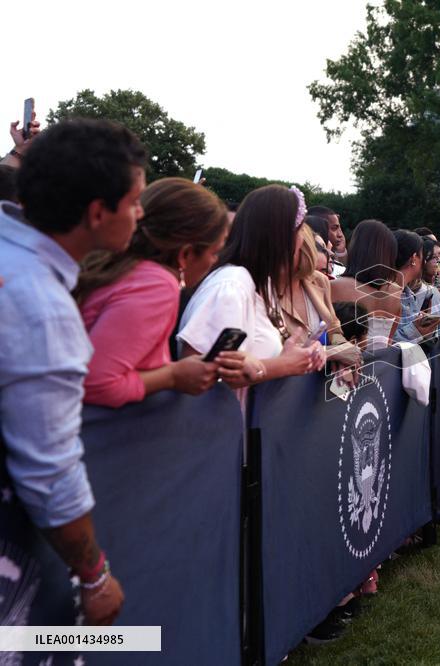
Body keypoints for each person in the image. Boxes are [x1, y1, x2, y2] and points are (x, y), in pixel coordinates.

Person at [1, 118, 146, 626]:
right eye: (134, 202)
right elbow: (49, 471)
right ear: (97, 212)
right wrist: (95, 575)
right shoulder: (40, 303)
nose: (140, 214)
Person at [76, 177, 228, 408]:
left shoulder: (117, 265)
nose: (214, 261)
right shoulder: (156, 285)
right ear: (185, 254)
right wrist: (173, 376)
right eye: (214, 252)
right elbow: (96, 384)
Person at [177, 185, 329, 399]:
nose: (303, 240)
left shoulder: (260, 284)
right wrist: (282, 365)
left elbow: (253, 360)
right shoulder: (232, 286)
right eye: (299, 231)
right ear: (280, 238)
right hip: (215, 428)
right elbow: (195, 375)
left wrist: (299, 355)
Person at [328, 219, 402, 349]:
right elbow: (389, 340)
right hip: (383, 364)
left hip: (344, 364)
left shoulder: (335, 286)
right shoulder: (395, 292)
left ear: (356, 248)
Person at [393, 229, 440, 344]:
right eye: (425, 256)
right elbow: (381, 344)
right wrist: (416, 330)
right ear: (413, 259)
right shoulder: (388, 293)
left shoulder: (407, 293)